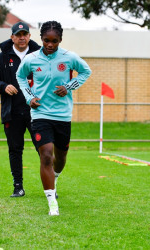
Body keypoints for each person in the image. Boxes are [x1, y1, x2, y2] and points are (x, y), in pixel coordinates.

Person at [16, 21, 92, 215]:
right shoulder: (32, 59)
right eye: (46, 40)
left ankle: (55, 177)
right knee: (46, 155)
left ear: (60, 40)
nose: (50, 44)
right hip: (40, 113)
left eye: (54, 41)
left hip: (63, 115)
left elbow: (86, 71)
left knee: (61, 157)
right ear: (41, 39)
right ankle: (52, 204)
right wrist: (29, 97)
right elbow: (20, 76)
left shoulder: (69, 57)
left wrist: (69, 86)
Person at [0, 22, 41, 197]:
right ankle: (18, 186)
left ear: (29, 36)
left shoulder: (40, 55)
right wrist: (3, 86)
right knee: (15, 150)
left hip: (37, 112)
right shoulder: (2, 57)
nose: (22, 37)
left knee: (44, 149)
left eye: (25, 34)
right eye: (18, 35)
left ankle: (50, 187)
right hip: (12, 112)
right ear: (12, 37)